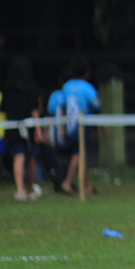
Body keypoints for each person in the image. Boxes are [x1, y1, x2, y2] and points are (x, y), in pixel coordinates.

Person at [59, 57, 102, 196]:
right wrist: (104, 125)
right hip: (81, 124)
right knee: (78, 154)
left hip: (68, 123)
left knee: (79, 153)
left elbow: (63, 106)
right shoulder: (86, 86)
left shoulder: (67, 86)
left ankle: (87, 186)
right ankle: (67, 183)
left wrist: (63, 127)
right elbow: (97, 105)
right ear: (87, 72)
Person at [3, 56, 44, 201]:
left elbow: (4, 110)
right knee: (31, 157)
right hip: (29, 127)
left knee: (18, 157)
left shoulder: (7, 89)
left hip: (13, 127)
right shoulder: (31, 88)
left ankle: (20, 191)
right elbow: (35, 110)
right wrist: (38, 130)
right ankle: (30, 189)